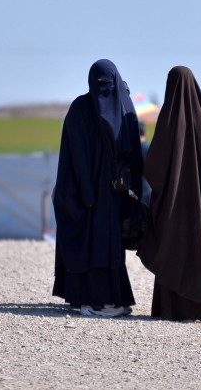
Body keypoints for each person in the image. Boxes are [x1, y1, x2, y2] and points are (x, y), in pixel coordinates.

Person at [138, 66, 201, 321]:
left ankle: (175, 308)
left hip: (177, 202)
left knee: (176, 245)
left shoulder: (170, 119)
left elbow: (155, 166)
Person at [52, 59, 143, 318]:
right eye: (97, 83)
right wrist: (84, 190)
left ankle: (110, 299)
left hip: (113, 194)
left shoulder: (124, 108)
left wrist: (134, 187)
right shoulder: (80, 108)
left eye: (107, 84)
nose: (102, 89)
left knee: (108, 247)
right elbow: (72, 155)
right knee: (88, 243)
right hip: (83, 192)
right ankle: (86, 297)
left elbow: (134, 153)